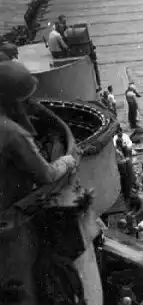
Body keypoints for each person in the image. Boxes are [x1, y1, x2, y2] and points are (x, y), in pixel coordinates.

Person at [0, 61, 77, 211]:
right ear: (15, 102)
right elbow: (46, 175)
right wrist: (66, 161)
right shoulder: (14, 134)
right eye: (26, 100)